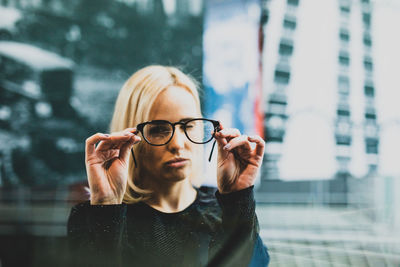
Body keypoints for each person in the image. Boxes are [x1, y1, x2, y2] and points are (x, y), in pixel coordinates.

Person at [67, 65, 269, 267]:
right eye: (158, 130)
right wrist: (106, 205)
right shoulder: (99, 219)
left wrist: (238, 197)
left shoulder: (226, 212)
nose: (178, 144)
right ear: (130, 137)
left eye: (188, 125)